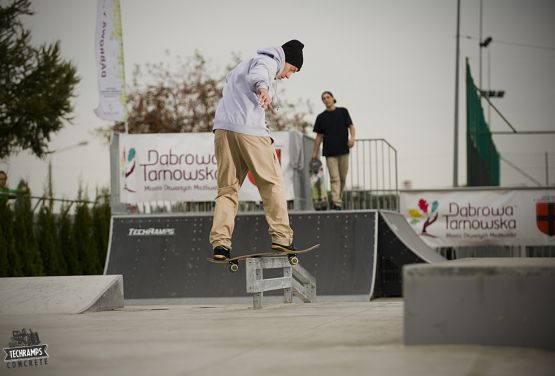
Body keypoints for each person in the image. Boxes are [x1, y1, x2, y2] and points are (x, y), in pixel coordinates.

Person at [209, 39, 304, 261]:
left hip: (223, 129)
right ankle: (281, 237)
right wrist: (263, 88)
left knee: (227, 189)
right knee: (271, 183)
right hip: (250, 131)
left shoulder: (242, 65)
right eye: (291, 70)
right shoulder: (268, 60)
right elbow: (259, 75)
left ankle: (221, 244)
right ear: (284, 60)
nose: (288, 75)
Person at [310, 91, 356, 210]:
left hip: (344, 150)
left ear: (333, 98)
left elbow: (351, 126)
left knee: (342, 178)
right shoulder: (321, 117)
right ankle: (336, 202)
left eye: (328, 97)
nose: (326, 99)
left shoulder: (343, 112)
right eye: (323, 98)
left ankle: (338, 198)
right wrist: (314, 153)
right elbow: (319, 136)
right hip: (329, 152)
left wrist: (352, 138)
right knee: (334, 178)